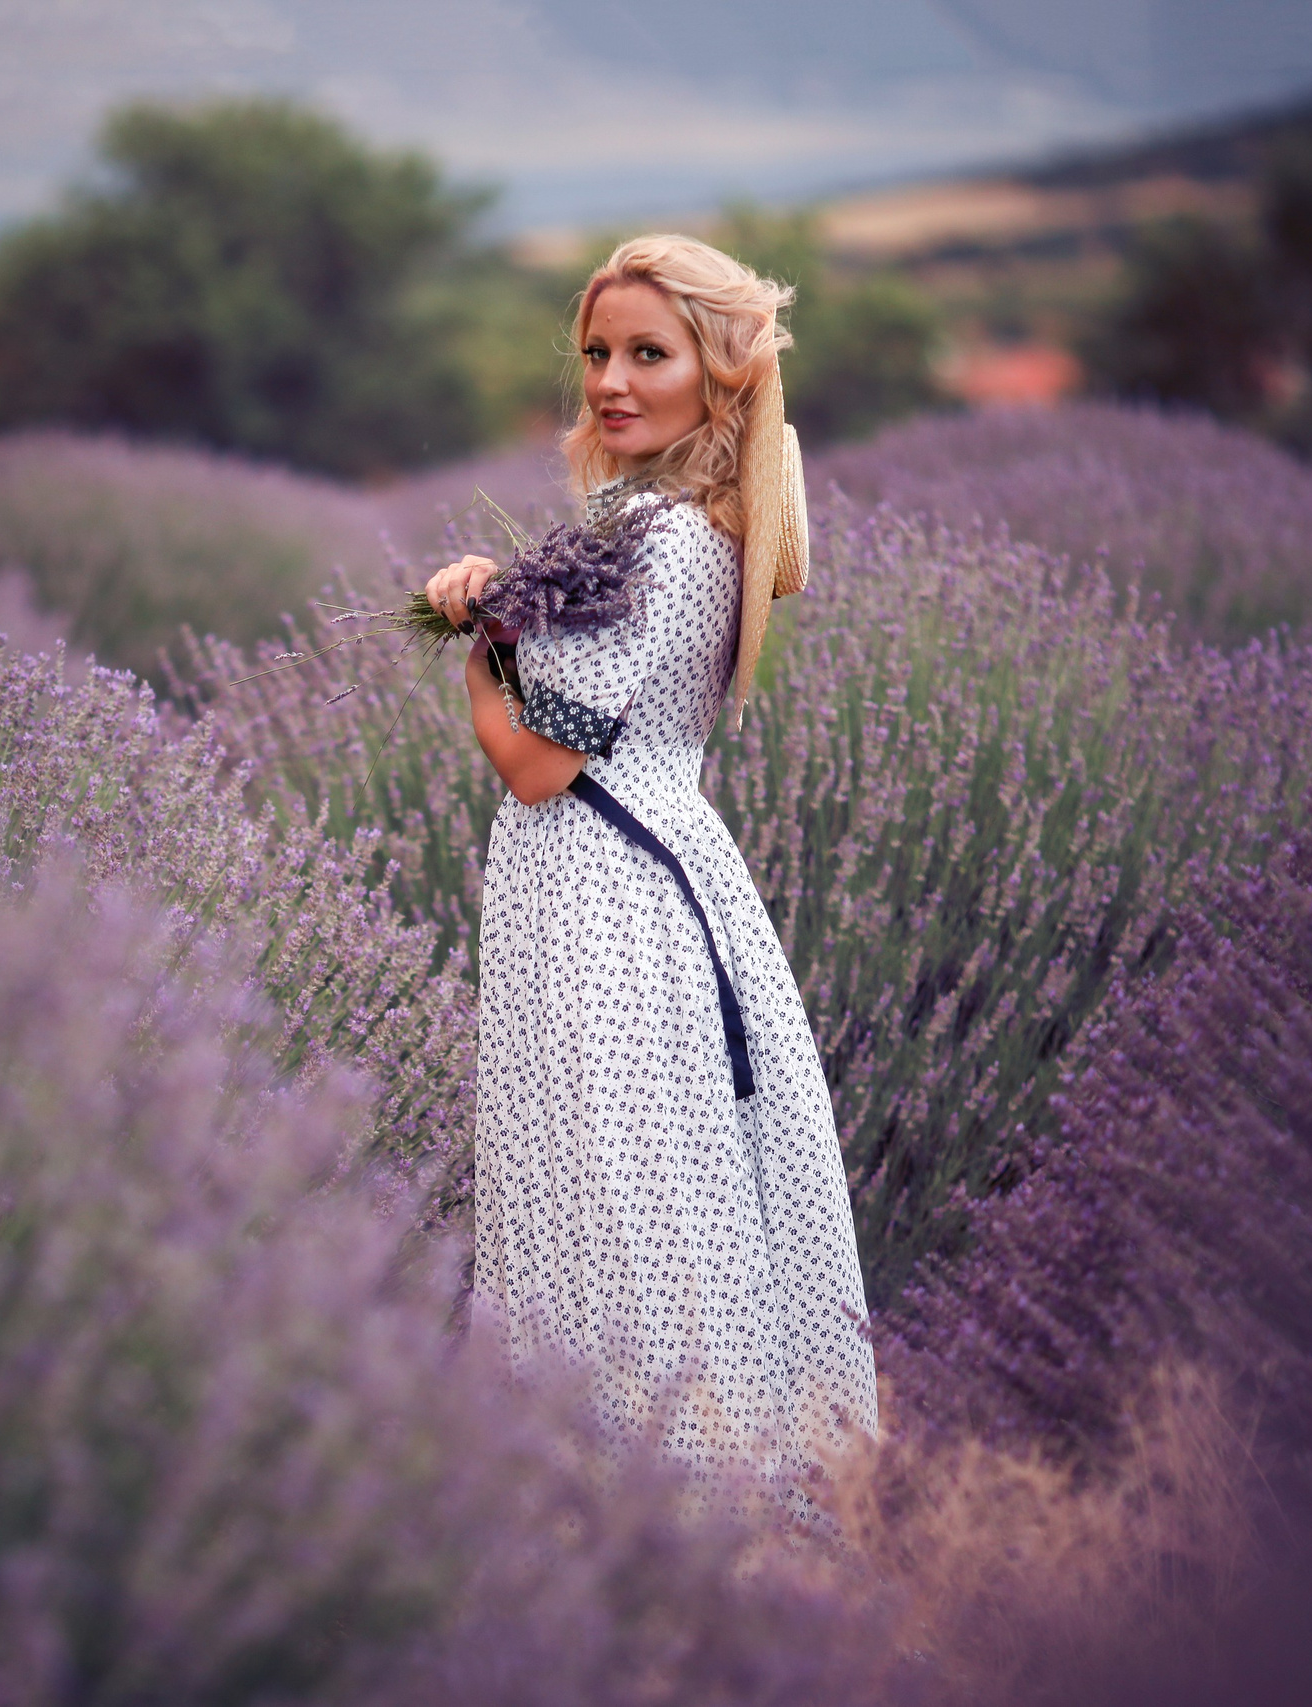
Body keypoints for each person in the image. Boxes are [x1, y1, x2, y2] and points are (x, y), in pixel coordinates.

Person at [426, 234, 878, 1532]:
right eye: (596, 354)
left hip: (606, 905)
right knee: (632, 1196)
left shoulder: (657, 541)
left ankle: (655, 1527)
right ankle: (629, 1518)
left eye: (648, 353)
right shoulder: (662, 526)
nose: (613, 380)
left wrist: (479, 646)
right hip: (642, 882)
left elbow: (535, 765)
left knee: (617, 1208)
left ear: (719, 376)